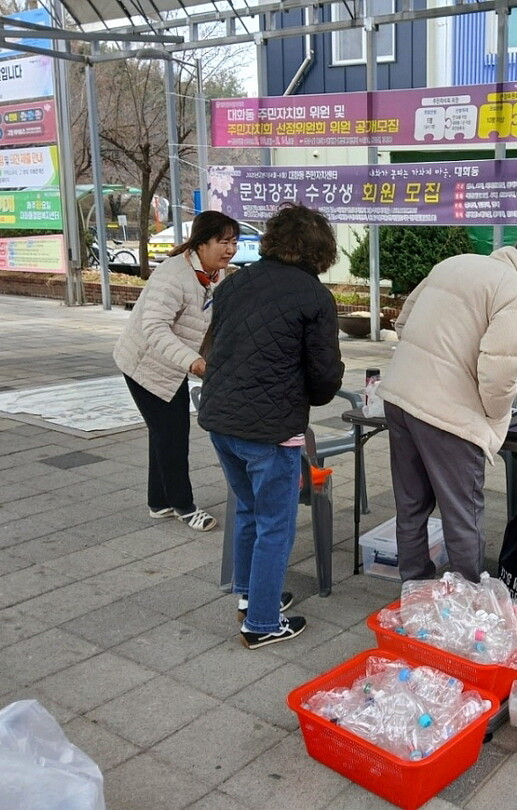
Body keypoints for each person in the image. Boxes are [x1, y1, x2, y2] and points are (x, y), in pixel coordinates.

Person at [378, 228, 517, 583]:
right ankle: (469, 598)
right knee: (462, 512)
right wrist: (495, 417)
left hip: (400, 397)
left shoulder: (454, 263)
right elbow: (499, 372)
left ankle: (415, 589)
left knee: (411, 506)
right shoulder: (516, 292)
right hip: (448, 416)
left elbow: (403, 321)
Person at [197, 203, 343, 649]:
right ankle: (260, 622)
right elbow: (323, 379)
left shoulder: (236, 282)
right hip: (272, 429)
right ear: (321, 251)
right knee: (274, 524)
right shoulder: (315, 297)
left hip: (222, 419)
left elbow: (218, 344)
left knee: (247, 511)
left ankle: (249, 594)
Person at [113, 210, 240, 533]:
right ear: (200, 243)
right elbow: (154, 328)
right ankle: (184, 505)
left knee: (165, 432)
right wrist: (194, 362)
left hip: (173, 363)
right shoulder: (174, 274)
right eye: (223, 242)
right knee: (171, 432)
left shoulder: (217, 274)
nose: (230, 249)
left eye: (234, 242)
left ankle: (159, 502)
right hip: (145, 363)